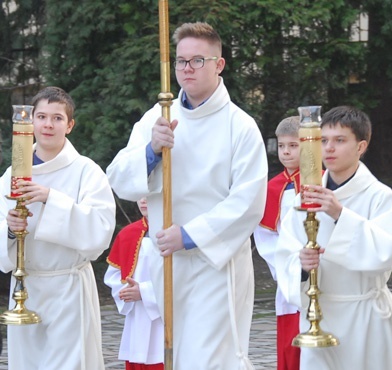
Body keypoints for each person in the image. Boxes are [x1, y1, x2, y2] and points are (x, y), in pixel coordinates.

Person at [106, 22, 267, 369]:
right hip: (168, 263)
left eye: (197, 60)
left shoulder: (239, 126)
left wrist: (190, 235)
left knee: (211, 358)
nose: (187, 69)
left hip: (214, 262)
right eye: (180, 61)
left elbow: (248, 202)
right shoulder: (159, 116)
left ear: (219, 64)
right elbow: (118, 177)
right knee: (178, 357)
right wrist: (151, 150)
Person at [275, 106, 392, 370]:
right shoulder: (303, 199)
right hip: (320, 317)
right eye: (324, 140)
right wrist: (301, 266)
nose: (328, 148)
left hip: (365, 316)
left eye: (339, 141)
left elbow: (389, 251)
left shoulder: (380, 197)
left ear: (361, 146)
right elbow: (285, 254)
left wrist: (340, 215)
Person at [0, 86, 116, 369]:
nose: (48, 124)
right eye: (41, 116)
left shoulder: (87, 171)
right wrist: (10, 231)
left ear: (70, 125)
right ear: (32, 122)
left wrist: (52, 200)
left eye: (57, 118)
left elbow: (100, 230)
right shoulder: (12, 173)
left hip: (68, 287)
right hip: (26, 288)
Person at [253, 116, 301, 370]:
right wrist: (284, 265)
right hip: (288, 273)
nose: (286, 151)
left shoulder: (325, 181)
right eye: (282, 146)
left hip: (323, 271)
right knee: (291, 344)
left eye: (293, 145)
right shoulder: (272, 188)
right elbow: (264, 235)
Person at [105, 198, 164, 370]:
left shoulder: (177, 235)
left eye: (148, 194)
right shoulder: (128, 234)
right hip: (138, 314)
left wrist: (145, 292)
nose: (143, 200)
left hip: (169, 316)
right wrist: (127, 291)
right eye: (139, 194)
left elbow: (184, 278)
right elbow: (113, 275)